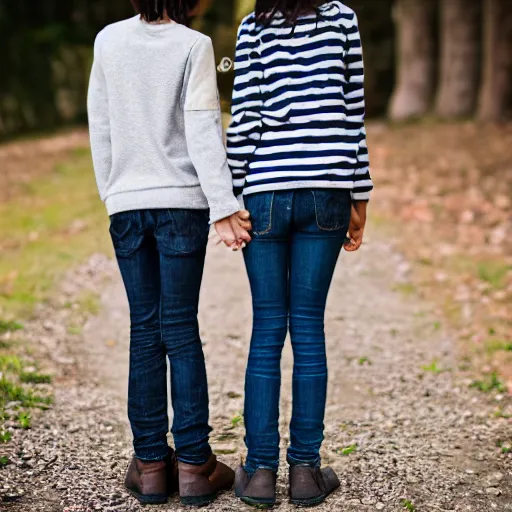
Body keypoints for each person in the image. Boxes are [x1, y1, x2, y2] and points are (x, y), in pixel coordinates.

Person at [87, 0, 251, 506]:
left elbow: (102, 126)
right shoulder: (194, 46)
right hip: (182, 206)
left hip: (128, 206)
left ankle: (152, 464)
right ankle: (195, 467)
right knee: (179, 328)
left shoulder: (108, 41)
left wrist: (114, 195)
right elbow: (204, 129)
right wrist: (223, 205)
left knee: (144, 327)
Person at [227, 0, 373, 507]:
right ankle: (307, 473)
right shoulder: (343, 19)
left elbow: (245, 117)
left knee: (268, 326)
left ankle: (262, 473)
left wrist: (231, 195)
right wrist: (361, 196)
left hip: (265, 190)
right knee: (308, 325)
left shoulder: (254, 27)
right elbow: (353, 114)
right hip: (328, 192)